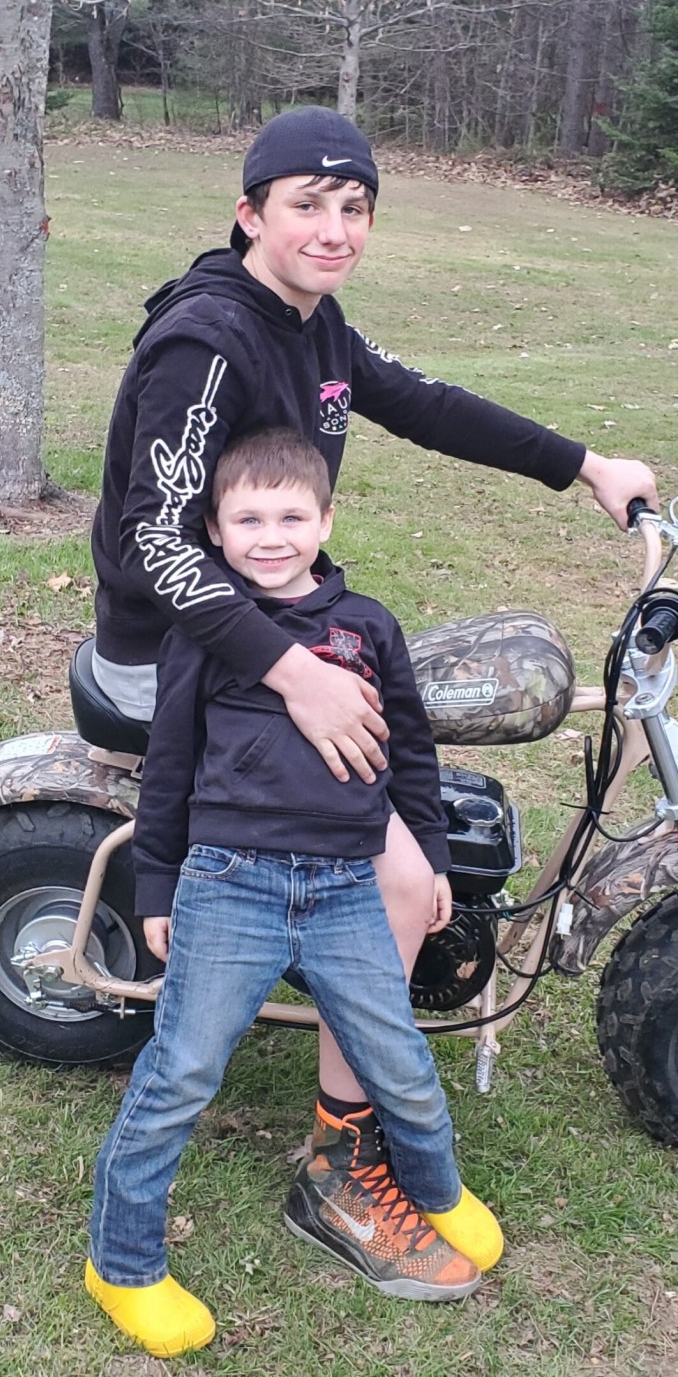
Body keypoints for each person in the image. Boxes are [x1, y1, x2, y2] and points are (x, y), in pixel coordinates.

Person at [89, 105, 658, 1250]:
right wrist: (295, 672)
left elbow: (425, 401)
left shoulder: (316, 321)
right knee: (397, 875)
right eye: (308, 204)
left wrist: (585, 465)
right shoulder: (206, 339)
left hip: (271, 622)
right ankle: (342, 1162)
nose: (336, 228)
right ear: (250, 212)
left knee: (417, 726)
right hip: (183, 655)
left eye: (355, 209)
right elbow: (158, 540)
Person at [86, 429, 505, 1358]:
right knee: (182, 1070)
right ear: (216, 528)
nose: (270, 536)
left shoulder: (369, 626)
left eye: (290, 516)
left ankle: (436, 1190)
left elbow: (410, 753)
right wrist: (159, 881)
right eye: (247, 518)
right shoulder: (209, 626)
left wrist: (428, 856)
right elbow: (169, 766)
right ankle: (120, 1264)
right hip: (230, 884)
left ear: (325, 519)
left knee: (395, 1053)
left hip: (349, 886)